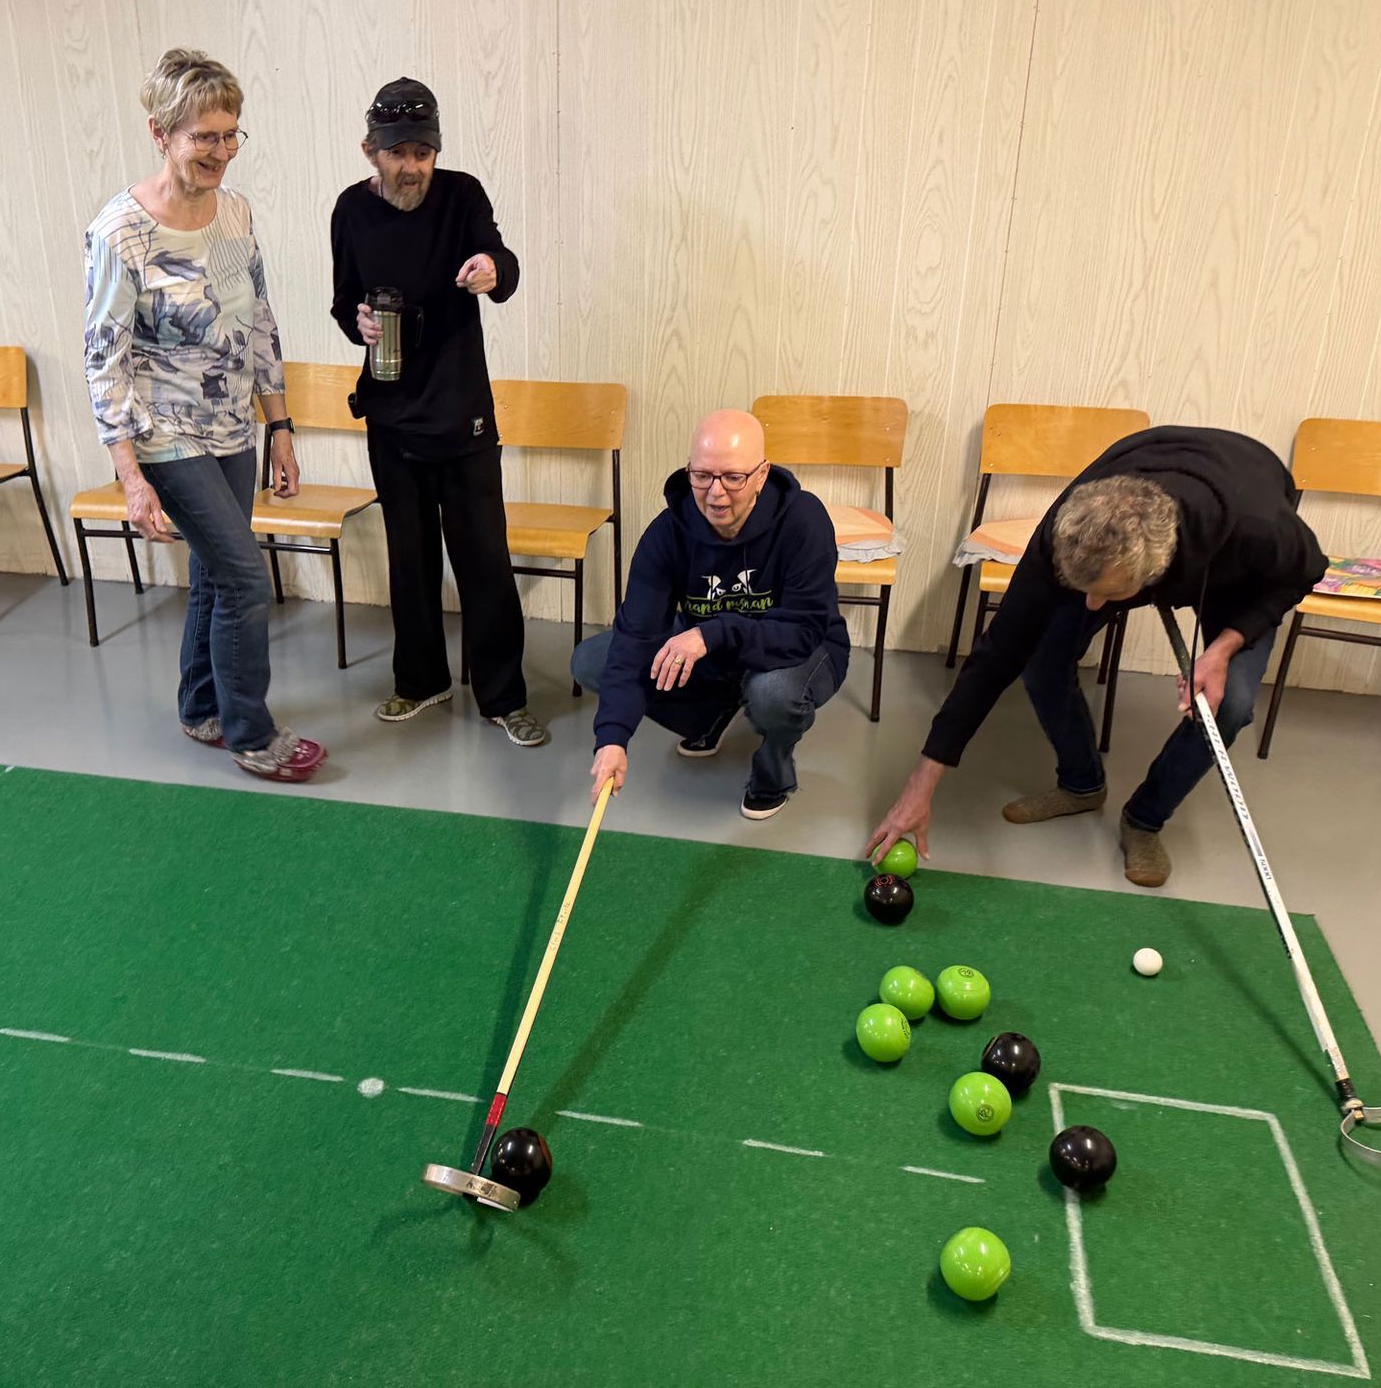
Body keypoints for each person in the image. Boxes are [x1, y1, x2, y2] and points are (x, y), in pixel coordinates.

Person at [865, 426, 1327, 885]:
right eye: (1083, 589)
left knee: (1228, 706)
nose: (1091, 606)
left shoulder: (1259, 528)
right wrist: (919, 784)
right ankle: (1081, 785)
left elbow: (1303, 574)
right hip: (1144, 499)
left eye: (1107, 594)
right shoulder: (1061, 538)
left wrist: (1224, 648)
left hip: (1238, 559)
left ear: (1153, 571)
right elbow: (996, 654)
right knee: (1045, 660)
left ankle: (1145, 820)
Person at [84, 47, 325, 782]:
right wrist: (129, 475)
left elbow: (259, 324)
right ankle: (251, 732)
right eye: (203, 137)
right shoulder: (120, 233)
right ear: (162, 133)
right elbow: (104, 357)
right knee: (248, 579)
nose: (220, 151)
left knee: (221, 577)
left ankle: (200, 707)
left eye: (230, 135)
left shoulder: (237, 213)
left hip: (232, 429)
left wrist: (279, 426)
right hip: (166, 436)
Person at [329, 77, 547, 749]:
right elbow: (342, 303)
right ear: (372, 150)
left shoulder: (461, 195)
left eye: (424, 152)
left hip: (462, 415)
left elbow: (501, 262)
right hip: (391, 411)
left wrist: (490, 267)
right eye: (400, 154)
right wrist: (359, 321)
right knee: (410, 555)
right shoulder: (349, 212)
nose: (413, 167)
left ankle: (503, 696)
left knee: (483, 558)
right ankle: (421, 680)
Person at [578, 409, 849, 820]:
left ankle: (773, 773)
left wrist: (714, 634)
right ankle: (714, 715)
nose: (716, 493)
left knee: (773, 695)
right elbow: (636, 638)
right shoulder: (667, 532)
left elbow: (802, 630)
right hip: (716, 648)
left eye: (733, 478)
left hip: (803, 648)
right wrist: (613, 738)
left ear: (761, 475)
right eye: (702, 476)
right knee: (593, 660)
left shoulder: (803, 521)